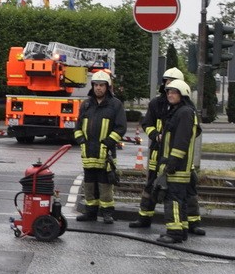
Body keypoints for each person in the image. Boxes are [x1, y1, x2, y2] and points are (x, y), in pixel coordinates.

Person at [130, 67, 206, 235]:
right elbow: (147, 124)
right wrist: (156, 136)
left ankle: (191, 223)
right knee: (152, 186)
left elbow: (194, 131)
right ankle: (144, 217)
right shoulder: (156, 104)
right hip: (158, 153)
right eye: (167, 84)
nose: (170, 88)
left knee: (187, 189)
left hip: (178, 157)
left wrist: (177, 140)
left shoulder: (185, 109)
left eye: (173, 85)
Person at [74, 70, 126, 224]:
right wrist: (81, 141)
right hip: (88, 152)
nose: (98, 88)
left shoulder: (115, 105)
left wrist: (107, 143)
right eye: (96, 85)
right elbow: (77, 127)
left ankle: (107, 213)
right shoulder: (86, 104)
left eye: (102, 85)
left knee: (105, 185)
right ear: (92, 86)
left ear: (107, 87)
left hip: (106, 153)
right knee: (89, 185)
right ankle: (90, 213)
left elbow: (120, 128)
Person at [155, 79, 197, 244]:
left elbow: (181, 141)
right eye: (168, 92)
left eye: (174, 92)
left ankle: (174, 232)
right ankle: (182, 229)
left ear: (183, 94)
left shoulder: (184, 112)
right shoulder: (179, 111)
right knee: (180, 200)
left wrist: (171, 163)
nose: (170, 95)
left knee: (172, 199)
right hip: (176, 164)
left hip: (177, 166)